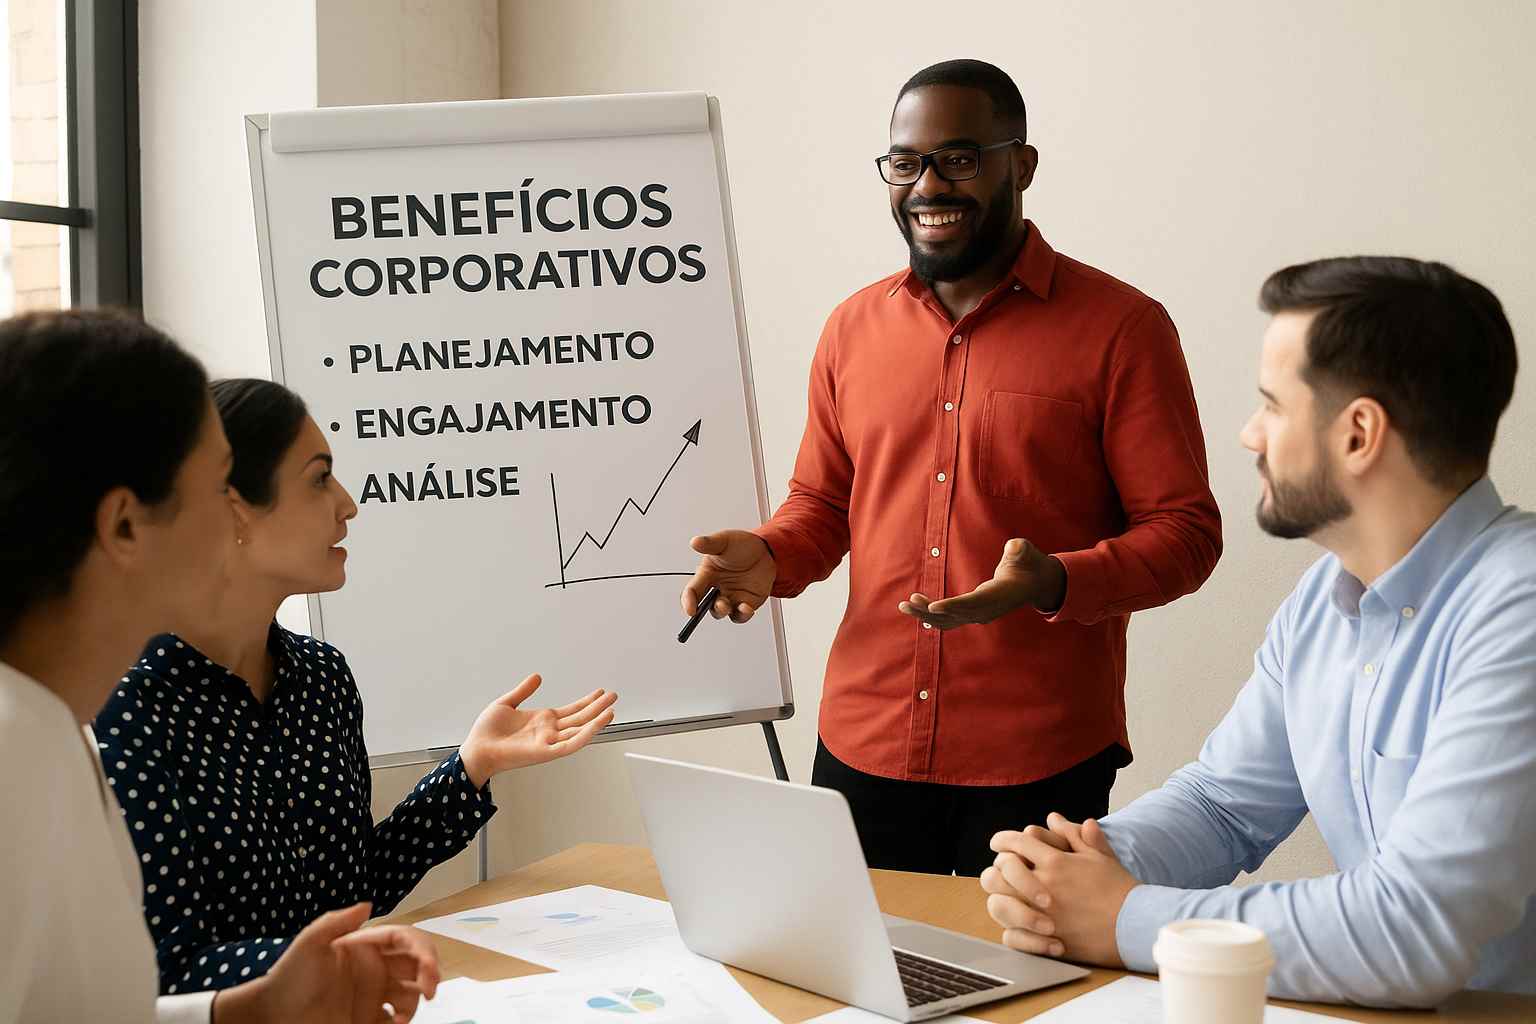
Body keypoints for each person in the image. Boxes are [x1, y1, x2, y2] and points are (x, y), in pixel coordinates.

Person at [682, 58, 1222, 875]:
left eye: (960, 159)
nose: (928, 184)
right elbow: (824, 504)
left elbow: (1185, 535)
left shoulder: (1123, 329)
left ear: (1022, 165)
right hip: (863, 746)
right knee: (859, 995)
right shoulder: (851, 330)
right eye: (906, 163)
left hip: (1038, 759)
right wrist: (772, 552)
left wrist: (1057, 582)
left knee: (1022, 1000)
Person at [981, 256, 1535, 1006]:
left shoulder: (1519, 607)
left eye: (1272, 406)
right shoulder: (1322, 600)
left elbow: (1413, 928)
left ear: (1359, 433)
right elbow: (1222, 805)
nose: (1248, 435)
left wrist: (1122, 917)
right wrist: (1074, 866)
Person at [93, 377, 618, 994]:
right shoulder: (123, 706)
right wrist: (339, 965)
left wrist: (472, 767)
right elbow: (161, 976)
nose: (348, 503)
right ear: (232, 507)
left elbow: (353, 892)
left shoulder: (322, 678)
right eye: (319, 478)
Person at [0, 309, 439, 1023]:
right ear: (125, 526)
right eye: (214, 490)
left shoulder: (51, 727)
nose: (230, 519)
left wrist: (249, 1010)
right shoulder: (19, 748)